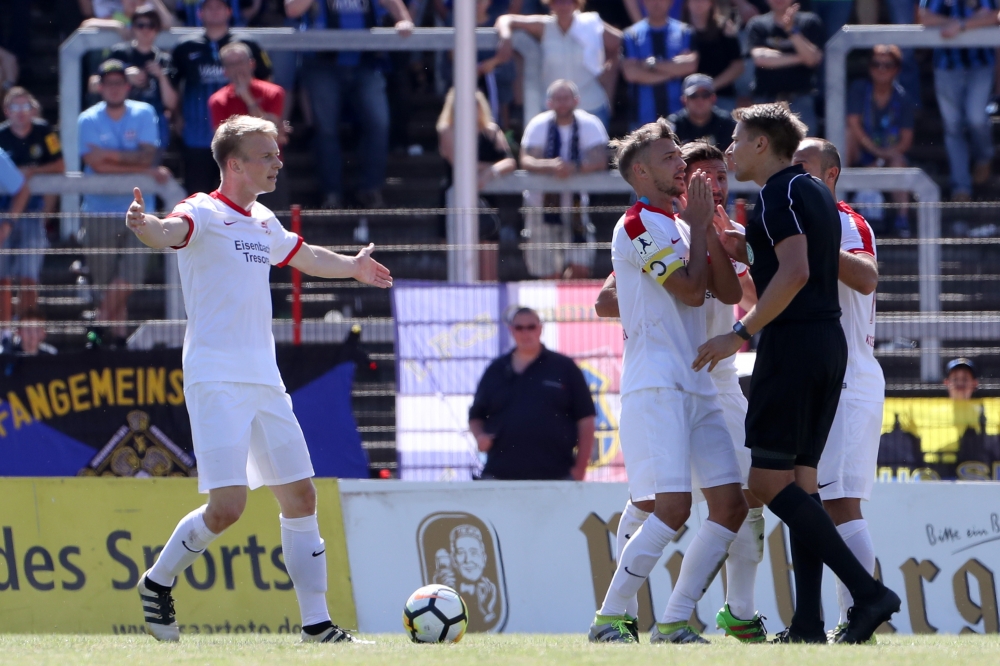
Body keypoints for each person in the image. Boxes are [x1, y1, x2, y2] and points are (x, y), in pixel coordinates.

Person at [124, 114, 392, 643]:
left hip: (265, 381)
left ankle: (316, 627)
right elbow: (168, 231)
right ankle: (157, 581)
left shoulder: (263, 219)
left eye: (276, 153)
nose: (277, 162)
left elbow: (306, 255)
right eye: (266, 155)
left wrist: (353, 266)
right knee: (228, 509)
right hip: (215, 380)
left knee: (301, 499)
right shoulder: (201, 210)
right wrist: (144, 226)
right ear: (235, 164)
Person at [694, 102, 900, 644]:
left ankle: (869, 593)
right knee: (803, 486)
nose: (731, 149)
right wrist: (747, 249)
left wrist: (739, 333)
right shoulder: (814, 193)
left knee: (765, 483)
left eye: (738, 139)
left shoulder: (777, 193)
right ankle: (808, 622)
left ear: (763, 144)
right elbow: (798, 265)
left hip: (794, 347)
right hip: (829, 346)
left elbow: (796, 271)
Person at [593, 140, 767, 643]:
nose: (705, 179)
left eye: (718, 175)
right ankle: (611, 617)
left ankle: (675, 621)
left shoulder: (688, 225)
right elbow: (689, 291)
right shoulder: (636, 224)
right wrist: (694, 236)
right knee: (665, 507)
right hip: (658, 382)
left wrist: (706, 230)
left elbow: (730, 294)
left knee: (733, 505)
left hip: (704, 384)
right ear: (642, 172)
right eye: (673, 160)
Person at [791, 137, 885, 644]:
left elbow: (867, 278)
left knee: (841, 504)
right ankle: (853, 617)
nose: (795, 176)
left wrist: (817, 242)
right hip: (827, 378)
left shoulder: (846, 221)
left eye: (804, 167)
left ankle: (862, 617)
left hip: (849, 381)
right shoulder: (798, 223)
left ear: (831, 175)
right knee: (827, 502)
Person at [285, 0, 414, 210]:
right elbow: (292, 9)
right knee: (325, 130)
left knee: (378, 124)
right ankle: (331, 194)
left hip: (366, 63)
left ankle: (370, 190)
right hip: (322, 64)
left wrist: (404, 20)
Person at [79, 59, 169, 344]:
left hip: (139, 208)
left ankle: (97, 327)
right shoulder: (87, 118)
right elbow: (95, 165)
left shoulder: (144, 112)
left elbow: (147, 156)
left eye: (119, 82)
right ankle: (118, 339)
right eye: (109, 83)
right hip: (98, 210)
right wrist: (138, 166)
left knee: (132, 274)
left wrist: (108, 154)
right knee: (107, 282)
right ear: (100, 87)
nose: (114, 88)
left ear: (128, 86)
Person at [468, 307, 596, 481]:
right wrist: (479, 436)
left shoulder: (564, 368)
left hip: (556, 476)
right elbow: (476, 415)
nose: (525, 333)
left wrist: (580, 470)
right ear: (511, 330)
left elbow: (586, 420)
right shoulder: (495, 370)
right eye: (519, 328)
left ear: (540, 329)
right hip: (499, 475)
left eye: (531, 327)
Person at [170, 0, 271, 195]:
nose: (214, 11)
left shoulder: (247, 44)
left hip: (241, 138)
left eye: (219, 7)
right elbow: (175, 87)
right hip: (198, 135)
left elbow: (266, 80)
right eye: (209, 7)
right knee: (199, 195)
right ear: (200, 13)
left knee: (242, 196)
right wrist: (177, 116)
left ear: (229, 11)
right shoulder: (184, 47)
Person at [520, 79, 609, 279]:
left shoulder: (590, 124)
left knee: (580, 267)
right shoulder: (538, 124)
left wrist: (574, 167)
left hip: (576, 206)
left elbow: (601, 159)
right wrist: (551, 166)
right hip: (540, 205)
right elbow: (526, 159)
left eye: (566, 98)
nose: (562, 103)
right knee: (547, 271)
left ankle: (568, 296)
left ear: (576, 100)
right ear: (549, 102)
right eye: (557, 98)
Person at [494, 0, 622, 129]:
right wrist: (505, 37)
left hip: (591, 106)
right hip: (554, 109)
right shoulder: (544, 26)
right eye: (558, 2)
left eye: (568, 1)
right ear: (550, 4)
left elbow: (621, 42)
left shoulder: (591, 24)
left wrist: (608, 71)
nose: (563, 6)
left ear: (576, 3)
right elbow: (505, 19)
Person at [918, 0, 999, 202]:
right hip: (946, 67)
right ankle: (961, 186)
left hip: (980, 64)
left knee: (976, 118)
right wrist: (958, 22)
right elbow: (923, 16)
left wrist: (961, 25)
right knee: (953, 127)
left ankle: (984, 156)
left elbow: (995, 16)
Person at [0, 87, 63, 322]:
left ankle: (27, 329)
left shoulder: (45, 132)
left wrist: (33, 171)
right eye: (15, 107)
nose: (21, 112)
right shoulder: (1, 136)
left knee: (29, 277)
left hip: (32, 213)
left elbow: (60, 165)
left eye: (25, 106)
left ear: (32, 109)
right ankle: (5, 332)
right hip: (3, 212)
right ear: (6, 111)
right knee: (3, 278)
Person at [846, 45, 915, 237]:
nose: (881, 69)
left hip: (889, 153)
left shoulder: (903, 97)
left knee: (899, 163)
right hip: (862, 149)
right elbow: (853, 123)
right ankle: (836, 207)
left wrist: (883, 158)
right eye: (876, 64)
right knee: (846, 136)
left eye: (887, 65)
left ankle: (902, 220)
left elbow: (906, 139)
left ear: (897, 69)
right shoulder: (859, 89)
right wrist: (875, 153)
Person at [99, 3, 179, 152]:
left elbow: (172, 103)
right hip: (121, 121)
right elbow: (94, 84)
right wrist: (123, 75)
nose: (145, 30)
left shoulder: (164, 60)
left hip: (154, 124)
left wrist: (161, 76)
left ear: (157, 29)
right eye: (140, 25)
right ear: (133, 28)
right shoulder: (120, 54)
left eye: (151, 25)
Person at [746, 0, 824, 133]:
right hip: (766, 101)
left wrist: (792, 30)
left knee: (804, 145)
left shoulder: (809, 22)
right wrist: (801, 57)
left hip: (801, 101)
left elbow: (812, 60)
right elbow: (760, 59)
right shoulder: (757, 24)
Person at [620, 0, 698, 130]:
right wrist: (673, 72)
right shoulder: (631, 35)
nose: (656, 3)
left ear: (670, 2)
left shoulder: (684, 32)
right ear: (643, 3)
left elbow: (689, 66)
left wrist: (652, 65)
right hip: (641, 118)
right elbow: (631, 73)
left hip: (681, 119)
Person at [436, 88, 517, 191]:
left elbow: (510, 162)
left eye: (475, 103)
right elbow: (461, 166)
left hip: (490, 190)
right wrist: (494, 166)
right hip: (458, 190)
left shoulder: (491, 130)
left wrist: (489, 172)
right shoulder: (447, 130)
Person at [208, 42, 287, 142]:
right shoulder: (217, 100)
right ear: (225, 71)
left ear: (252, 64)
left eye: (241, 62)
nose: (237, 68)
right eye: (231, 64)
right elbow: (222, 139)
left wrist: (248, 98)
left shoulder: (274, 92)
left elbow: (270, 130)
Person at [683, 0, 744, 112]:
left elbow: (738, 66)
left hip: (721, 96)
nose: (698, 3)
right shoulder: (679, 31)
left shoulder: (725, 28)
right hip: (689, 99)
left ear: (711, 3)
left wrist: (709, 87)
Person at [667, 74, 737, 148]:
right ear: (684, 100)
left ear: (713, 98)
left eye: (705, 95)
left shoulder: (727, 124)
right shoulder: (673, 125)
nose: (700, 100)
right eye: (693, 96)